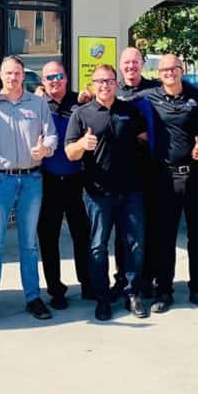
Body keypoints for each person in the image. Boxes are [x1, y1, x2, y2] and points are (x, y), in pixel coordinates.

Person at [0, 55, 57, 325]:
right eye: (7, 73)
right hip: (1, 181)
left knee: (29, 245)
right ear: (0, 75)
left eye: (17, 73)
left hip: (32, 180)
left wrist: (45, 149)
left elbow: (52, 135)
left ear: (24, 75)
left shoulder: (38, 103)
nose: (12, 77)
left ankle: (33, 297)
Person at [65, 64, 148, 321]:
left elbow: (144, 141)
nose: (105, 85)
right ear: (92, 84)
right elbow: (70, 153)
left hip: (131, 191)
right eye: (99, 81)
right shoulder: (81, 114)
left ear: (116, 83)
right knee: (98, 247)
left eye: (109, 81)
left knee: (134, 244)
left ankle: (132, 293)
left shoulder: (130, 112)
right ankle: (102, 299)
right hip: (98, 194)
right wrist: (82, 144)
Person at [143, 54, 198, 313]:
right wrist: (84, 96)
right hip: (164, 176)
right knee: (165, 236)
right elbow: (117, 101)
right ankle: (164, 290)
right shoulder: (149, 97)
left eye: (173, 69)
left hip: (195, 176)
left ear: (181, 70)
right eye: (163, 70)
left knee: (197, 235)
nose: (168, 73)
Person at [35, 61, 94, 309]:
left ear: (66, 78)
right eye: (49, 77)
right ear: (43, 82)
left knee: (83, 236)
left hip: (76, 181)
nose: (54, 80)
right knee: (49, 238)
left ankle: (88, 284)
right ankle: (55, 289)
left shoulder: (80, 102)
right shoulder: (37, 105)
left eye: (59, 76)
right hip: (47, 181)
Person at [111, 46, 158, 300]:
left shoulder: (155, 90)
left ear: (142, 64)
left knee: (146, 230)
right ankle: (122, 279)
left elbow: (195, 95)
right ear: (120, 65)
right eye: (126, 62)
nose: (131, 66)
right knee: (122, 233)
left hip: (149, 171)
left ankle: (147, 278)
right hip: (120, 174)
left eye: (135, 62)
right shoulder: (112, 90)